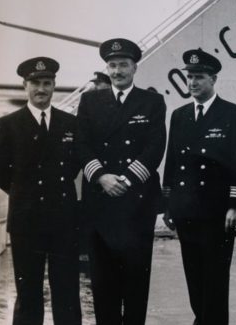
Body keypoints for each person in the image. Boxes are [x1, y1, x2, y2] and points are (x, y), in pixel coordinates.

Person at [76, 38, 166, 325]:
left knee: (136, 280)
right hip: (100, 202)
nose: (117, 71)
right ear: (106, 68)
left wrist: (125, 179)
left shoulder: (152, 101)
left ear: (135, 67)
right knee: (103, 283)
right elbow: (81, 145)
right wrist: (102, 176)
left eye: (123, 65)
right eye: (112, 65)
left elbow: (155, 148)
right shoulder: (90, 101)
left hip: (136, 202)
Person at [0, 57, 82, 325]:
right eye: (35, 84)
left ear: (54, 86)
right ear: (24, 86)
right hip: (26, 219)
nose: (41, 89)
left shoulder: (69, 123)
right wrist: (25, 194)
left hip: (63, 218)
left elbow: (74, 164)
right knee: (28, 291)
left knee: (66, 290)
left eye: (47, 83)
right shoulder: (9, 124)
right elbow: (0, 171)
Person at [162, 48, 236, 325]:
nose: (193, 83)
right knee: (194, 278)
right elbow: (172, 162)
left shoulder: (233, 114)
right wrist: (168, 204)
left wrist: (235, 205)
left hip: (217, 212)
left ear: (213, 79)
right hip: (186, 210)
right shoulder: (179, 115)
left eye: (199, 77)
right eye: (190, 78)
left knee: (215, 280)